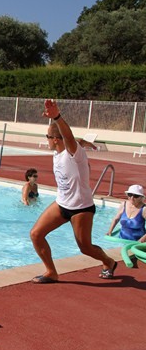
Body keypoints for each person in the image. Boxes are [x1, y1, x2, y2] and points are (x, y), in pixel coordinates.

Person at [30, 99, 117, 283]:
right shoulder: (58, 152)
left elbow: (69, 139)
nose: (46, 140)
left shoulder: (74, 154)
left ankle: (108, 261)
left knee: (85, 248)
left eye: (47, 137)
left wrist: (57, 117)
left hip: (81, 208)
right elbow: (71, 139)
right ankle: (51, 272)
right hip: (62, 204)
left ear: (55, 139)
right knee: (36, 234)